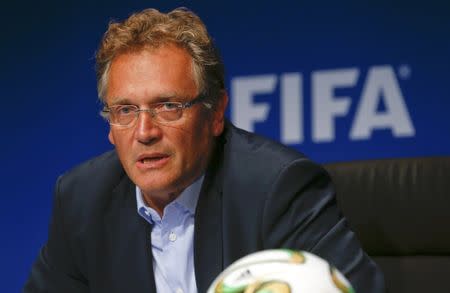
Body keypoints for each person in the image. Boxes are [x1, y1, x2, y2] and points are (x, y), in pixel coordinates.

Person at [24, 7, 385, 293]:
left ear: (215, 114)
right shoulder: (83, 200)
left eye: (168, 106)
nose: (144, 132)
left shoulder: (276, 188)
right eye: (125, 111)